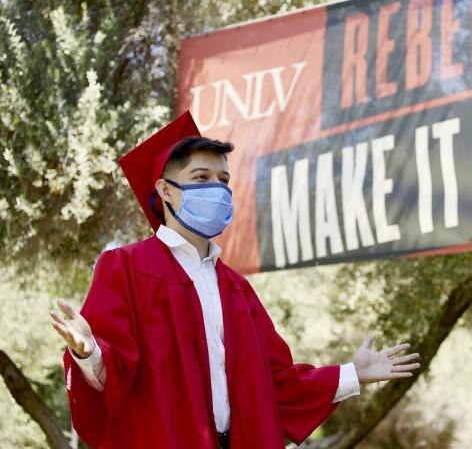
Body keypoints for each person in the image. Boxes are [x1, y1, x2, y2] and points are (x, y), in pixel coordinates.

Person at [49, 111, 421, 448]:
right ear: (164, 190)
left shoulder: (236, 289)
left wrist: (354, 374)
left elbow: (277, 384)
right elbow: (110, 375)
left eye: (223, 179)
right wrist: (88, 351)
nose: (218, 188)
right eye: (201, 177)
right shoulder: (126, 268)